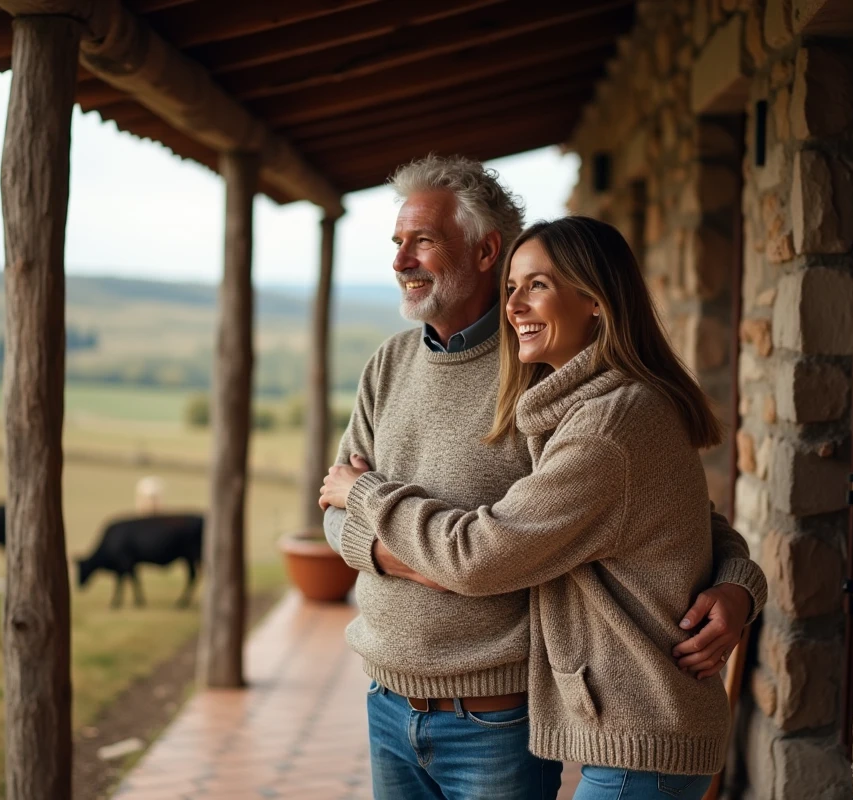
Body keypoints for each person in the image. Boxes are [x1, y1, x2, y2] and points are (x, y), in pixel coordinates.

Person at [322, 157, 767, 800]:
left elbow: (666, 508)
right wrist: (412, 554)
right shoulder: (388, 364)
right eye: (397, 243)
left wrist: (736, 584)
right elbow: (334, 509)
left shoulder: (551, 368)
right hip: (386, 699)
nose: (401, 261)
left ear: (485, 250)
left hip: (501, 714)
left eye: (421, 240)